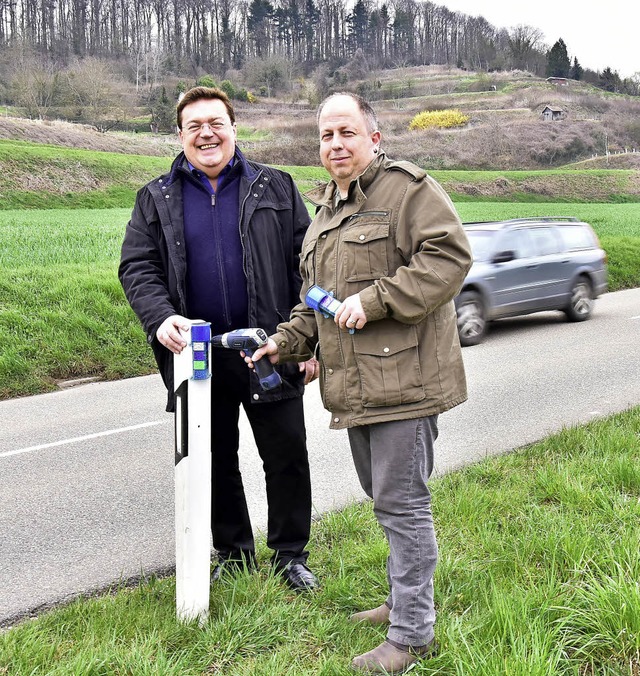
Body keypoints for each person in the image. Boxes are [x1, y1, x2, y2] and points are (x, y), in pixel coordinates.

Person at [247, 93, 472, 673]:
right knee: (385, 502)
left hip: (407, 382)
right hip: (357, 390)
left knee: (403, 505)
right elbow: (316, 305)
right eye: (325, 136)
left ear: (374, 137)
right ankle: (404, 601)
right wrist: (284, 342)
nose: (335, 145)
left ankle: (412, 634)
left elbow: (448, 257)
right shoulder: (324, 214)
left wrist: (375, 301)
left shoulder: (408, 190)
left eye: (346, 133)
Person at [119, 86, 319, 591]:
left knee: (287, 453)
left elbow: (310, 265)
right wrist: (159, 316)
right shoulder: (155, 198)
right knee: (213, 459)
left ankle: (290, 555)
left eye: (216, 123)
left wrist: (307, 341)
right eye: (194, 126)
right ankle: (233, 553)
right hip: (198, 355)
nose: (206, 133)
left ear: (233, 128)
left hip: (267, 348)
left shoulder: (276, 187)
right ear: (181, 135)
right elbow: (137, 266)